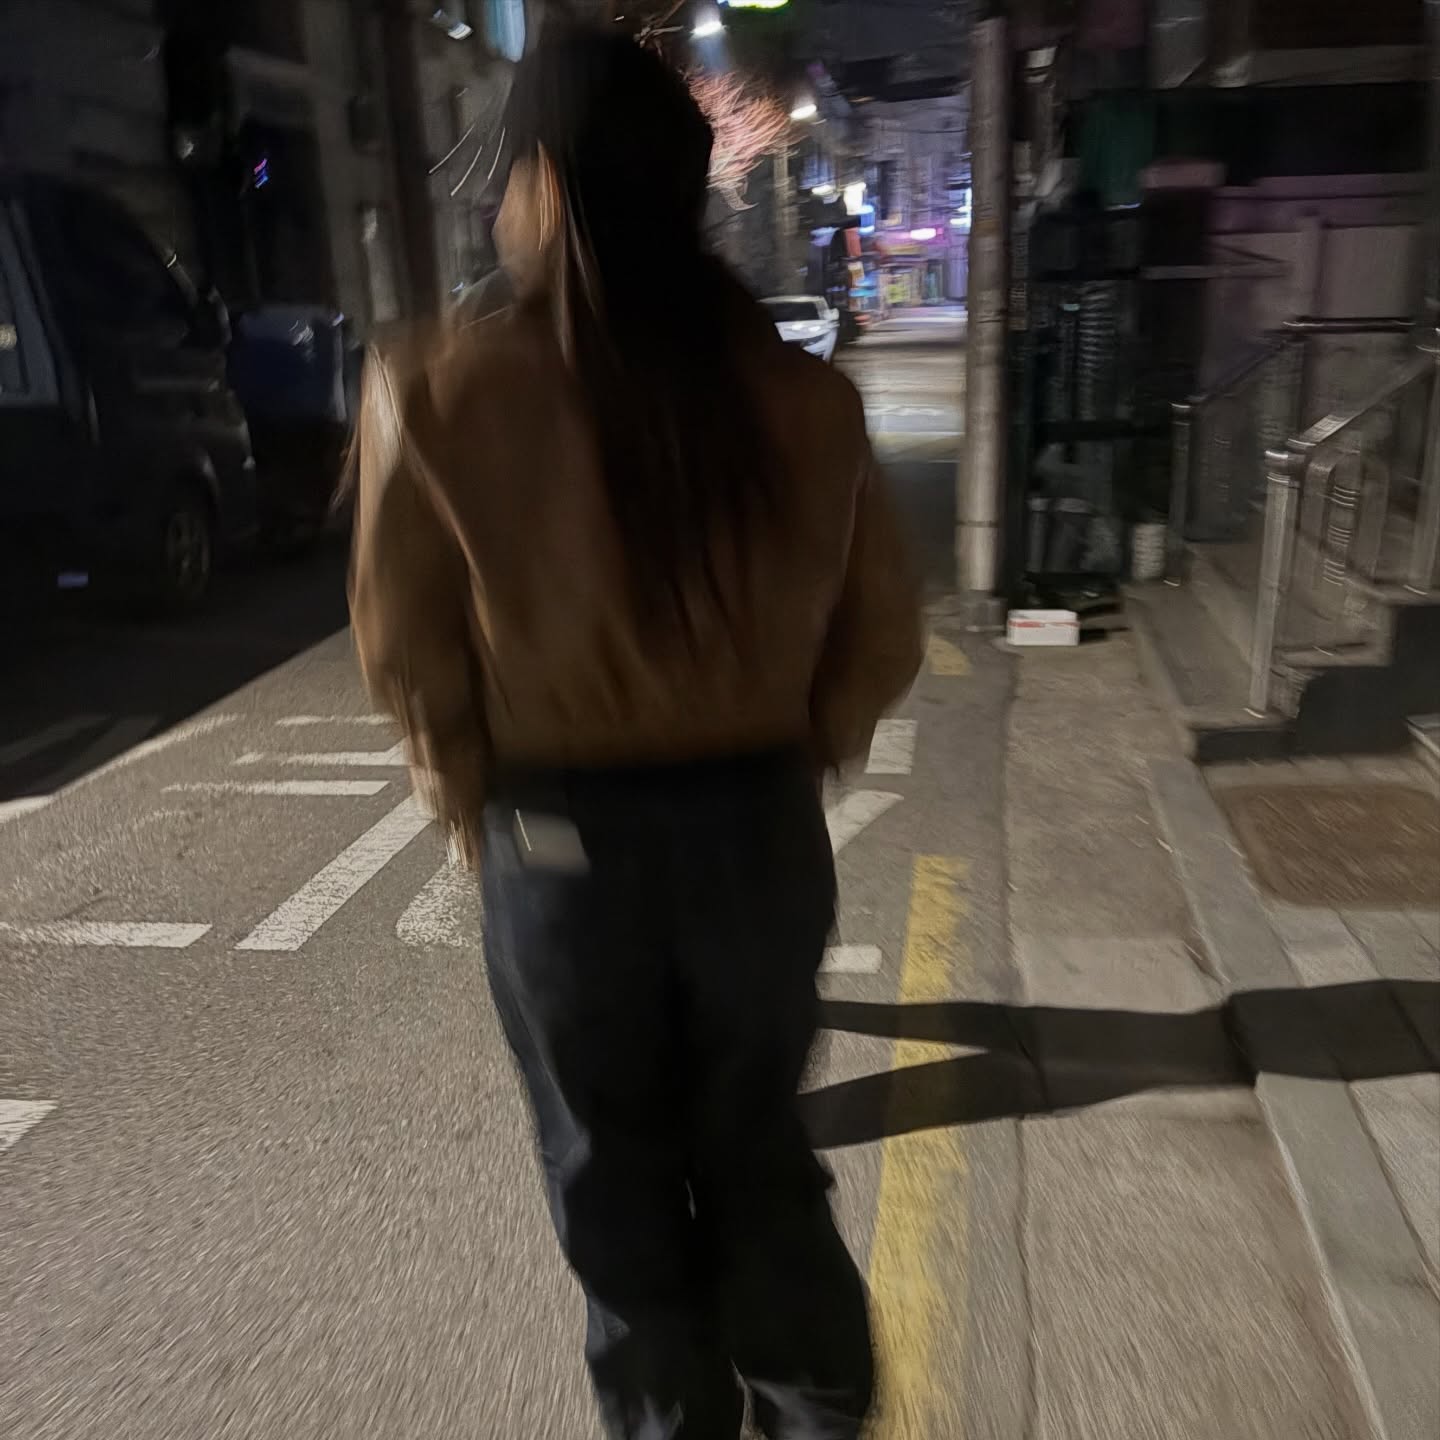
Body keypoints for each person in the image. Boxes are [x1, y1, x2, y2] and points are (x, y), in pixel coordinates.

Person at [349, 28, 922, 1440]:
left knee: (610, 1181)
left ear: (546, 186)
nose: (497, 206)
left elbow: (411, 659)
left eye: (506, 177)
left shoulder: (437, 394)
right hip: (757, 833)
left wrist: (476, 805)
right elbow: (881, 644)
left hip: (563, 845)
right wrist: (789, 754)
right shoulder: (804, 401)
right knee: (757, 1147)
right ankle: (817, 1400)